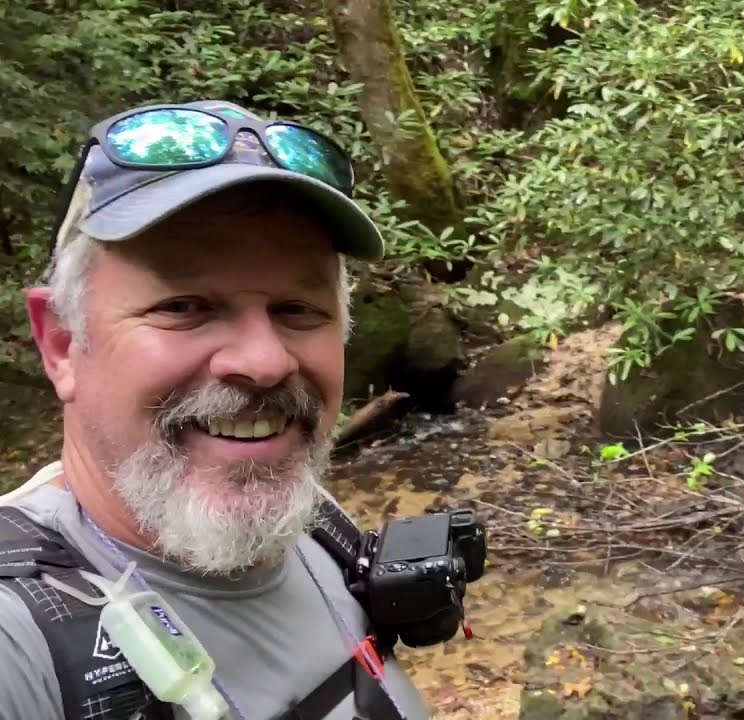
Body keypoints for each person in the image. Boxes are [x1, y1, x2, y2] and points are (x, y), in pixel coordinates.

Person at [0, 100, 434, 720]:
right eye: (183, 306)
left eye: (296, 310)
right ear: (63, 345)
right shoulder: (19, 645)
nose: (264, 361)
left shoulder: (316, 524)